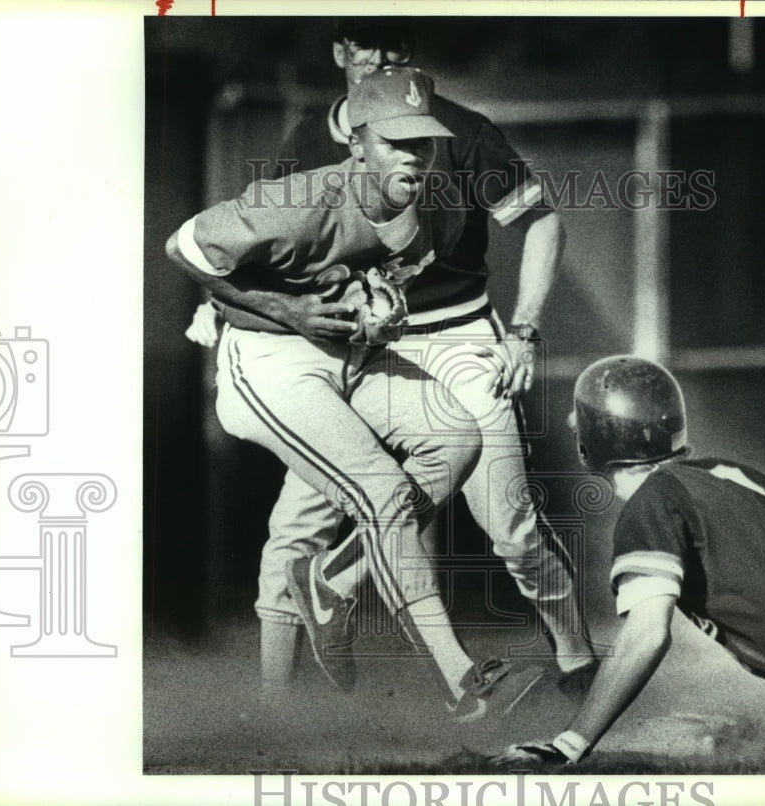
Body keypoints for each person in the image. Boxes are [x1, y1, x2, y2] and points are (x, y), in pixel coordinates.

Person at [186, 17, 597, 698]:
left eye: (396, 42)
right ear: (341, 51)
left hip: (457, 336)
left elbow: (542, 220)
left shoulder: (458, 131)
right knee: (296, 526)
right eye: (366, 41)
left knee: (509, 521)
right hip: (354, 347)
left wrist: (523, 329)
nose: (382, 57)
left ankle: (579, 662)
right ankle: (270, 721)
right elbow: (257, 248)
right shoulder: (307, 143)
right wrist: (235, 303)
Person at [491, 356, 765, 764]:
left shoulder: (651, 501)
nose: (572, 423)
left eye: (581, 418)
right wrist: (754, 735)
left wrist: (570, 743)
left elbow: (647, 635)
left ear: (596, 439)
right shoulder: (728, 472)